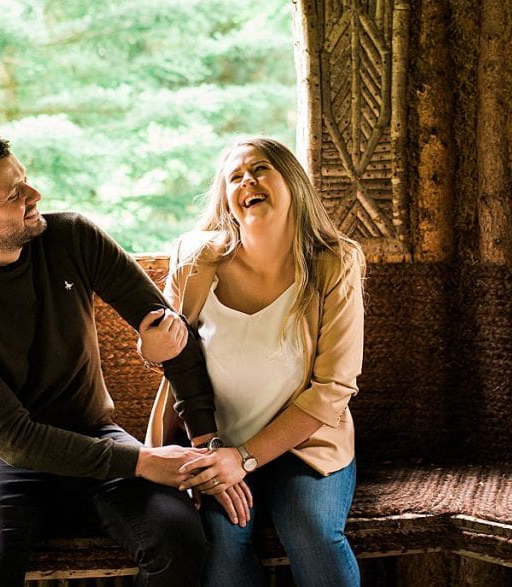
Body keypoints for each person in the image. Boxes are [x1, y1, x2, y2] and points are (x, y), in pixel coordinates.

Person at [0, 131, 220, 586]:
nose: (35, 195)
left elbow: (172, 334)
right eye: (14, 194)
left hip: (95, 432)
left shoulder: (72, 236)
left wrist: (204, 443)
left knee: (181, 538)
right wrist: (145, 461)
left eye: (26, 180)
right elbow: (13, 437)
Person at [146, 137, 365, 586]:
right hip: (210, 443)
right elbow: (166, 357)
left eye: (260, 169)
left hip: (304, 446)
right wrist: (151, 348)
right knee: (221, 545)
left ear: (293, 183)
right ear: (227, 198)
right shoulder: (195, 258)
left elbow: (334, 388)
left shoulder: (334, 262)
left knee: (312, 532)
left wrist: (243, 459)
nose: (247, 180)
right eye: (235, 176)